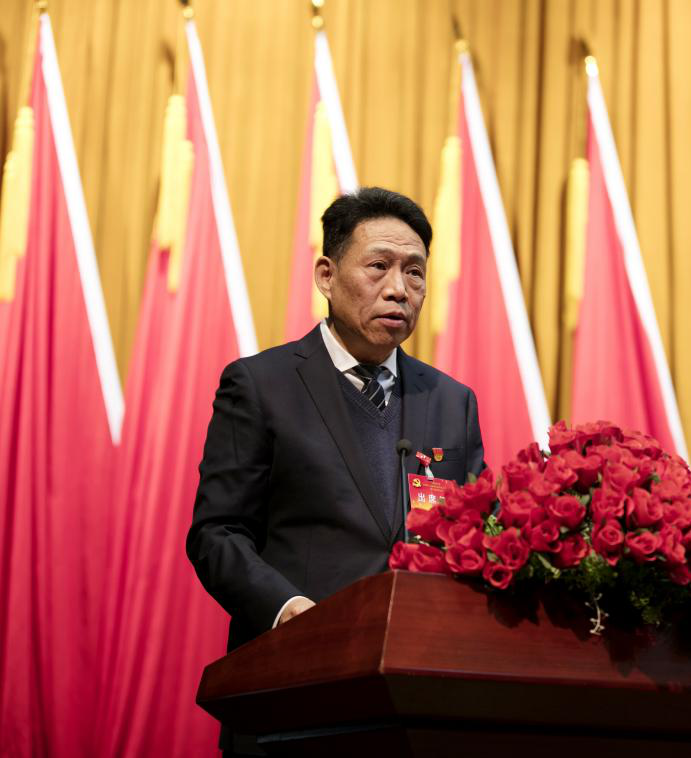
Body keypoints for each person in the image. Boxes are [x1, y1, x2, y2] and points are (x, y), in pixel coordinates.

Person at [186, 187, 484, 754]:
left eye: (415, 272)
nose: (398, 289)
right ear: (326, 275)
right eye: (378, 266)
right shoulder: (262, 385)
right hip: (293, 693)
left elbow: (472, 537)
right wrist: (287, 611)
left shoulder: (452, 401)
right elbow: (217, 533)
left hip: (416, 705)